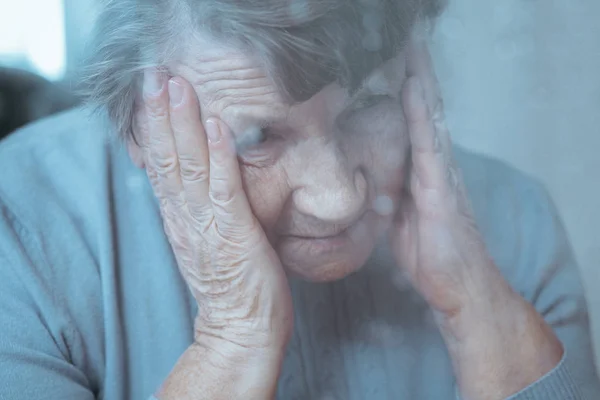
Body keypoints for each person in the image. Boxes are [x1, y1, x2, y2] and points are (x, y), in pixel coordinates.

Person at [0, 0, 597, 399]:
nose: (339, 198)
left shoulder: (518, 221)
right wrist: (234, 338)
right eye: (258, 137)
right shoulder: (20, 231)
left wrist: (473, 296)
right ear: (140, 129)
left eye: (368, 106)